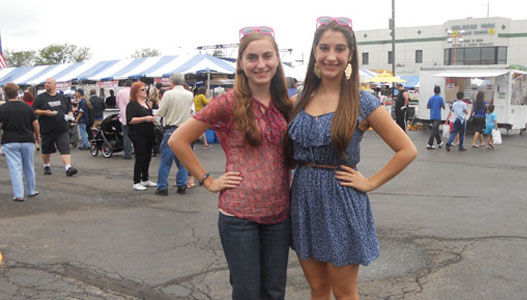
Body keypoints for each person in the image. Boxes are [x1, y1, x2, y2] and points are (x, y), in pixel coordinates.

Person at [288, 17, 418, 299]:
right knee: (318, 289)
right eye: (324, 48)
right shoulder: (300, 98)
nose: (331, 56)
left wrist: (370, 182)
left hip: (341, 202)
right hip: (303, 200)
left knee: (345, 293)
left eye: (340, 49)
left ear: (350, 55)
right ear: (314, 52)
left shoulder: (361, 100)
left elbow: (407, 150)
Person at [169, 26, 293, 300]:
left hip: (280, 215)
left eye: (267, 56)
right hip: (239, 218)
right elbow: (178, 139)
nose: (260, 64)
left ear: (276, 60)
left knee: (274, 292)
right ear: (240, 63)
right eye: (252, 57)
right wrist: (207, 180)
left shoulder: (285, 102)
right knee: (247, 293)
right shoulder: (228, 102)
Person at [154, 73, 194, 196]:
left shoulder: (168, 94)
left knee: (166, 161)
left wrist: (156, 120)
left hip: (171, 129)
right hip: (184, 130)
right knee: (182, 161)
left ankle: (162, 187)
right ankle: (182, 185)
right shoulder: (189, 94)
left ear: (172, 82)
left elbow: (161, 111)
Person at [0, 83, 41, 201]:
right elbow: (35, 123)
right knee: (29, 166)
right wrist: (37, 136)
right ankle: (32, 190)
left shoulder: (2, 109)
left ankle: (19, 194)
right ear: (18, 93)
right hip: (27, 139)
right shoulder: (27, 107)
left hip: (10, 140)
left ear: (5, 94)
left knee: (15, 168)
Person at [32, 77, 78, 176]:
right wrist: (44, 112)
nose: (46, 84)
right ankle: (46, 166)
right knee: (46, 150)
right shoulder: (40, 98)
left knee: (65, 148)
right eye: (45, 83)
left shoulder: (62, 97)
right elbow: (34, 110)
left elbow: (69, 109)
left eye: (49, 83)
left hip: (62, 128)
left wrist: (70, 115)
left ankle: (68, 168)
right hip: (47, 129)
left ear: (54, 84)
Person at [126, 82, 157, 190]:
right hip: (137, 133)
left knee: (147, 156)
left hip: (148, 132)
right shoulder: (132, 104)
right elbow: (130, 120)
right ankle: (136, 181)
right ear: (136, 93)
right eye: (142, 90)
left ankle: (145, 179)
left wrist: (153, 117)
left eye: (145, 89)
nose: (145, 92)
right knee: (140, 156)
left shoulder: (146, 103)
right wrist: (145, 118)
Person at [117, 80, 133, 159]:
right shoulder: (134, 92)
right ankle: (136, 151)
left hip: (124, 116)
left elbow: (117, 103)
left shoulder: (120, 92)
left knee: (126, 135)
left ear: (124, 84)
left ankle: (127, 153)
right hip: (134, 116)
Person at [426, 85, 445, 149]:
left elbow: (428, 107)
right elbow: (443, 107)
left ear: (434, 91)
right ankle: (429, 143)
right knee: (434, 130)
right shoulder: (440, 98)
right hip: (437, 116)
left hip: (432, 116)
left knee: (435, 129)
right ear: (439, 91)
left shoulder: (431, 98)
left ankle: (439, 142)